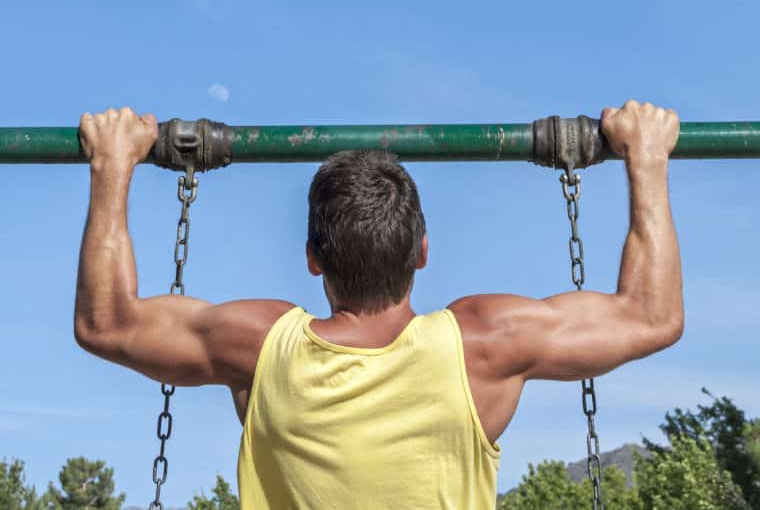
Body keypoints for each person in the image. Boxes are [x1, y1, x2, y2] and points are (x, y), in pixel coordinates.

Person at [75, 100, 683, 509]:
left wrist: (112, 164)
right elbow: (651, 316)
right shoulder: (484, 343)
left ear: (313, 257)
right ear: (422, 251)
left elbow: (106, 323)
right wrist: (647, 157)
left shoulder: (260, 344)